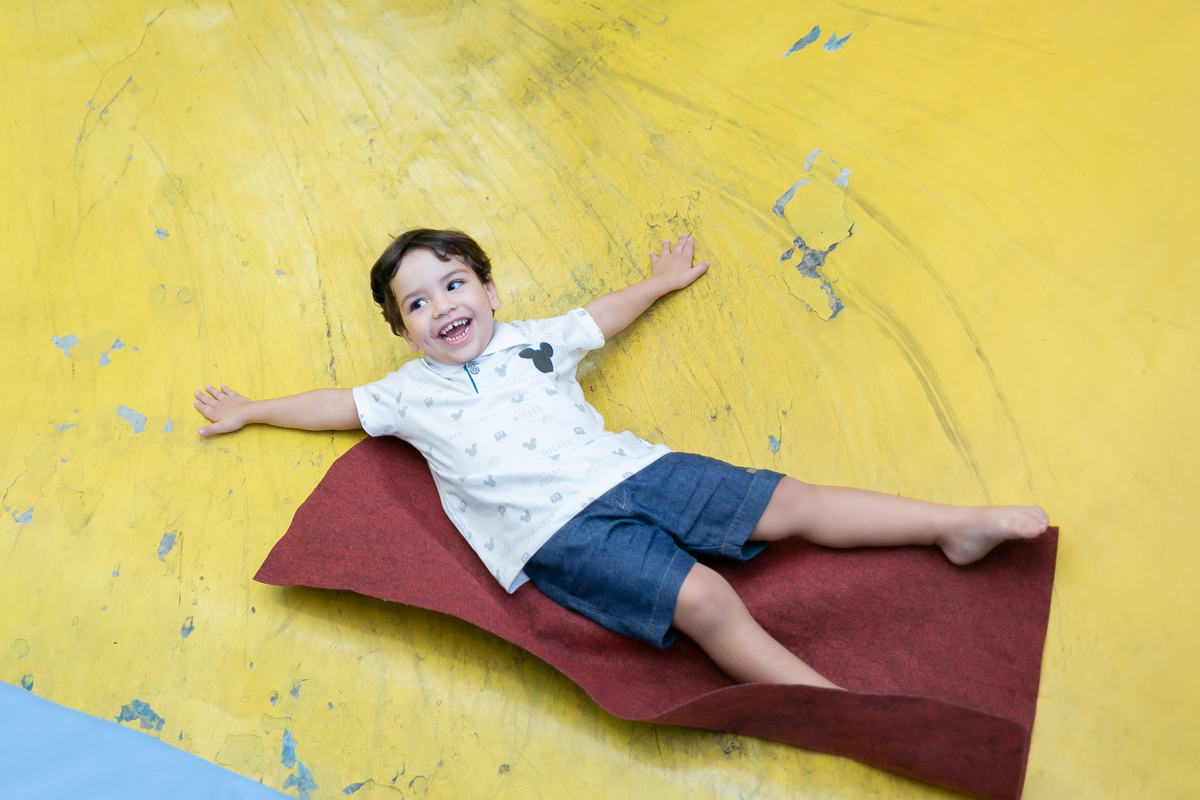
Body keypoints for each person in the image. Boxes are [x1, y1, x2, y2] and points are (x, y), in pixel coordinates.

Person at [195, 228, 1049, 689]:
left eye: (454, 285)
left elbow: (598, 319)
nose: (441, 307)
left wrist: (661, 284)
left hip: (636, 470)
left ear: (490, 293)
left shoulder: (534, 340)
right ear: (403, 330)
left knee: (792, 502)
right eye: (415, 303)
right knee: (705, 598)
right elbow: (336, 406)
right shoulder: (405, 392)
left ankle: (956, 524)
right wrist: (254, 412)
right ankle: (826, 706)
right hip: (559, 532)